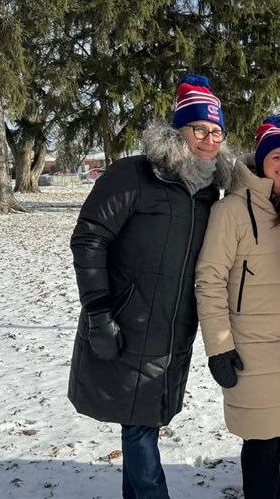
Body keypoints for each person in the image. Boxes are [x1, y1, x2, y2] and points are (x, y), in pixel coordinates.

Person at [68, 74, 233, 499]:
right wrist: (99, 313)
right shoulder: (135, 175)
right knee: (139, 424)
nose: (209, 139)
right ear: (179, 131)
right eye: (200, 129)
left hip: (174, 328)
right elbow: (90, 237)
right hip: (128, 320)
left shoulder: (207, 194)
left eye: (217, 132)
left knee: (145, 420)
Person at [194, 116, 280, 499]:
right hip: (250, 349)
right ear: (259, 162)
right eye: (276, 156)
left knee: (275, 437)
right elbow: (209, 280)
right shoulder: (231, 211)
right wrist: (219, 347)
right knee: (260, 445)